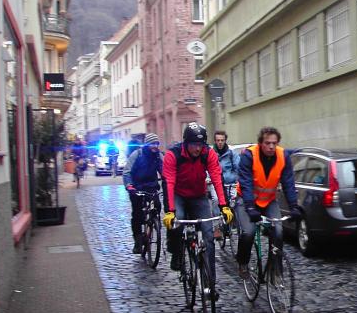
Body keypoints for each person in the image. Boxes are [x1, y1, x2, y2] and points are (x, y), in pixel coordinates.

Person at [162, 123, 233, 297]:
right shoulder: (173, 155)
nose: (197, 148)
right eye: (194, 144)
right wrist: (169, 210)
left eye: (200, 145)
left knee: (208, 237)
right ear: (186, 143)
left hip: (198, 195)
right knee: (176, 221)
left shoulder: (207, 153)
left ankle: (210, 285)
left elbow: (216, 177)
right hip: (178, 194)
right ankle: (176, 252)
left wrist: (224, 207)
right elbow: (168, 182)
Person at [235, 126, 302, 280]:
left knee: (278, 232)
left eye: (274, 143)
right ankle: (242, 262)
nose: (271, 146)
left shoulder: (283, 156)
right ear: (260, 143)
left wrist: (293, 206)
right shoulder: (250, 155)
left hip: (268, 201)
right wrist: (250, 207)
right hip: (246, 200)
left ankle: (275, 269)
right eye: (267, 143)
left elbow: (288, 183)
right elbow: (245, 183)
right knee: (248, 232)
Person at [123, 133, 164, 253]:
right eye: (152, 144)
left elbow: (165, 170)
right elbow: (127, 172)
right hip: (137, 188)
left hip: (151, 187)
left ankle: (153, 225)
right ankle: (137, 240)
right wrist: (129, 186)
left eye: (156, 144)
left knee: (157, 205)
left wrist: (168, 180)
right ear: (147, 144)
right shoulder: (137, 154)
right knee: (137, 214)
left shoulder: (158, 156)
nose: (154, 146)